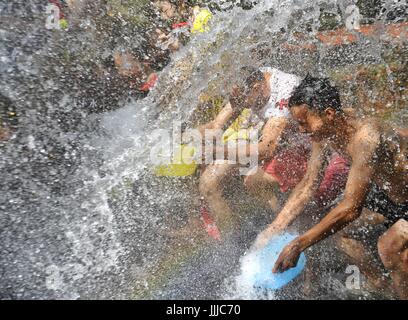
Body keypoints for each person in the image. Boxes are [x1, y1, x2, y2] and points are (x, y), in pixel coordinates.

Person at [255, 75, 408, 299]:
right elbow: (308, 184)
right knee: (334, 233)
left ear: (329, 113)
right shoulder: (324, 132)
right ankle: (383, 290)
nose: (301, 130)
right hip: (389, 194)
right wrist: (274, 227)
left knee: (390, 247)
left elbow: (351, 208)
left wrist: (299, 244)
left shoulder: (365, 138)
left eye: (304, 122)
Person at [196, 68, 349, 238]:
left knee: (257, 181)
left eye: (240, 100)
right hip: (287, 140)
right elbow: (217, 125)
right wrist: (187, 140)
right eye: (232, 99)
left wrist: (217, 152)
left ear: (256, 88)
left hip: (310, 143)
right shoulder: (254, 79)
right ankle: (236, 242)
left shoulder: (283, 96)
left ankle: (286, 228)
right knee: (212, 181)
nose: (236, 105)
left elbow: (266, 149)